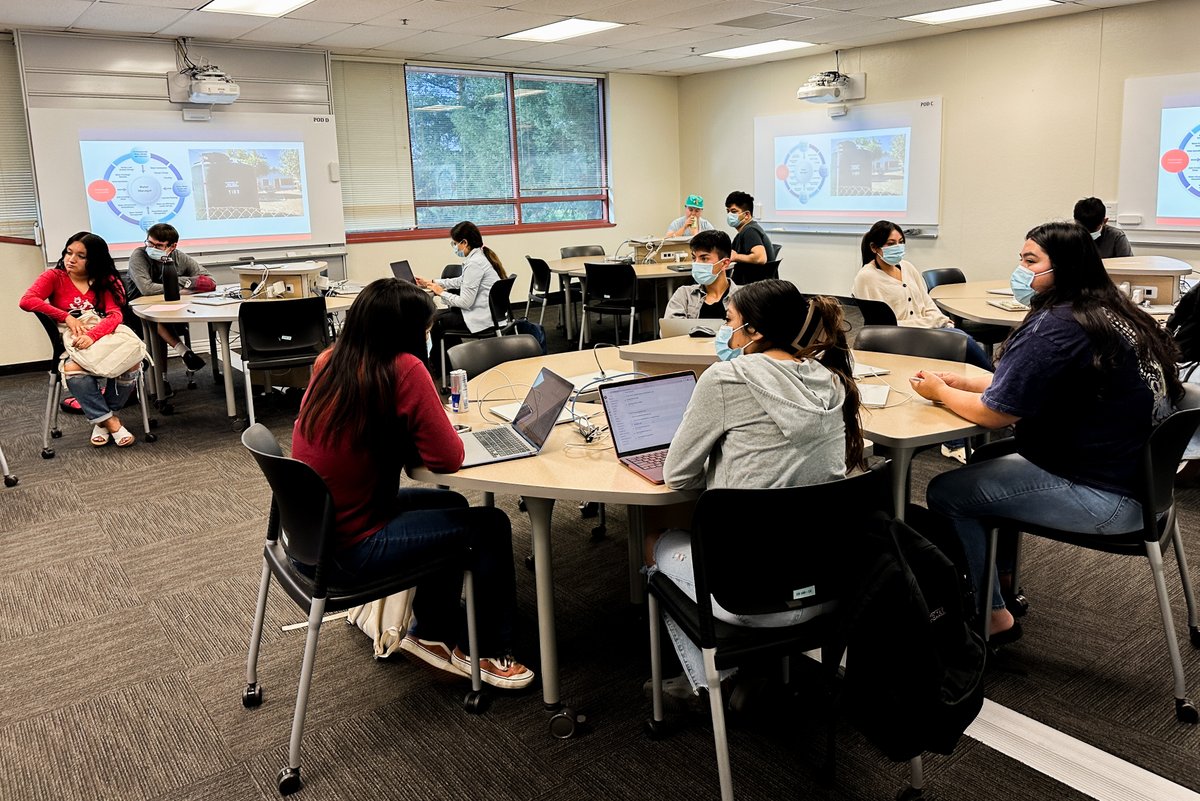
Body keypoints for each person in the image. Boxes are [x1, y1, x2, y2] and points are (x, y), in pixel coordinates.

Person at [913, 220, 1181, 643]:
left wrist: (941, 392)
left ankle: (992, 615)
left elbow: (993, 415)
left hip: (1106, 496)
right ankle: (997, 579)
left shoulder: (1055, 326)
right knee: (986, 461)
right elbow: (1048, 386)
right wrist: (972, 382)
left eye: (1030, 260)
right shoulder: (1111, 312)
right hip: (1144, 482)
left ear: (1065, 267)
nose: (1019, 268)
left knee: (949, 493)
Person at [290, 277, 534, 689]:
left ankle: (432, 632)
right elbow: (447, 457)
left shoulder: (330, 360)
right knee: (491, 525)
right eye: (424, 329)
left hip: (311, 533)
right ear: (404, 333)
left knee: (454, 507)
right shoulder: (404, 368)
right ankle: (489, 652)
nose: (428, 336)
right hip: (350, 549)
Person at [649, 280, 866, 696]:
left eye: (729, 321)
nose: (724, 331)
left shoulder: (727, 378)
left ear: (756, 330)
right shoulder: (831, 379)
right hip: (834, 583)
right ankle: (755, 671)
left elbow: (678, 477)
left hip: (747, 596)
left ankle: (718, 682)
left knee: (655, 539)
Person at [19, 232, 140, 447]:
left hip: (103, 335)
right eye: (69, 252)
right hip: (72, 341)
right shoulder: (54, 277)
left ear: (94, 259)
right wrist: (65, 316)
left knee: (132, 361)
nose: (71, 259)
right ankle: (111, 422)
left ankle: (102, 421)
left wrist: (93, 336)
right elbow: (27, 301)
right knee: (73, 369)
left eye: (81, 256)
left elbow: (115, 314)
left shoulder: (105, 279)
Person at [852, 220, 993, 371]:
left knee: (960, 339)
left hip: (926, 329)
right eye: (891, 243)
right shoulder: (867, 277)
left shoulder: (907, 267)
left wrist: (942, 321)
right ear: (874, 248)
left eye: (900, 242)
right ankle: (996, 381)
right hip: (899, 337)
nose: (898, 247)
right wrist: (931, 323)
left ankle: (993, 381)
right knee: (963, 341)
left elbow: (926, 302)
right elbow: (881, 325)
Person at [415, 221, 505, 378]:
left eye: (455, 243)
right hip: (489, 314)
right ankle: (453, 366)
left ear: (465, 242)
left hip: (482, 318)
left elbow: (465, 302)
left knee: (435, 322)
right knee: (439, 318)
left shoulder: (476, 263)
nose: (455, 247)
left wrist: (441, 293)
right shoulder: (479, 257)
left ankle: (446, 371)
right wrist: (432, 282)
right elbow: (461, 281)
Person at [125, 223, 211, 371]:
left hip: (170, 307)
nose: (151, 248)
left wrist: (178, 283)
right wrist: (183, 284)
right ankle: (176, 362)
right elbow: (147, 289)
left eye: (158, 246)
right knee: (155, 319)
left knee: (163, 316)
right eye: (149, 243)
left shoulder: (178, 257)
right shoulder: (139, 255)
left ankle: (184, 354)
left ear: (172, 247)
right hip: (137, 312)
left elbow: (209, 280)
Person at [663, 230, 738, 320]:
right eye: (694, 258)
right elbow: (670, 331)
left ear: (725, 263)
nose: (696, 263)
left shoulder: (743, 299)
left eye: (704, 258)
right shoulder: (684, 295)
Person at [724, 190, 775, 267]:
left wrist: (736, 257)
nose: (729, 215)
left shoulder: (750, 230)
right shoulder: (743, 232)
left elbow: (760, 258)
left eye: (734, 211)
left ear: (747, 215)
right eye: (728, 211)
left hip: (755, 278)